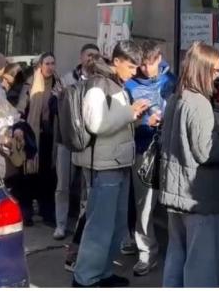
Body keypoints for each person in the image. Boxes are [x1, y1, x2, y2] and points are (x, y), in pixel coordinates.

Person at [158, 41, 219, 288]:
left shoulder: (177, 97)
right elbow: (207, 151)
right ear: (204, 70)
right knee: (202, 267)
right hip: (200, 197)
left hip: (176, 194)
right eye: (216, 71)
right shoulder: (199, 104)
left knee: (177, 257)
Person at [71, 41, 150, 288]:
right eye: (130, 66)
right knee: (100, 226)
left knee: (115, 226)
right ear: (116, 61)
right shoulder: (99, 85)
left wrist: (135, 118)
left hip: (116, 162)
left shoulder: (115, 84)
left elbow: (113, 123)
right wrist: (129, 112)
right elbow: (96, 123)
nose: (134, 71)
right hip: (103, 166)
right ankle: (85, 278)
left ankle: (102, 273)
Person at [124, 40, 176, 277]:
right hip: (143, 148)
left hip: (171, 149)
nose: (145, 69)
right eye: (141, 65)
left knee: (175, 203)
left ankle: (177, 250)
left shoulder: (170, 80)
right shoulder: (129, 84)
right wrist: (144, 121)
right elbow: (122, 119)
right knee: (144, 205)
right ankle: (147, 252)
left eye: (149, 64)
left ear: (159, 59)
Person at [61, 45, 101, 264]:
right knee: (87, 206)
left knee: (88, 206)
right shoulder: (77, 86)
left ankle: (78, 253)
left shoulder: (92, 86)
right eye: (89, 56)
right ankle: (75, 254)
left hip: (91, 154)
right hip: (86, 152)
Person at [17, 53, 62, 229]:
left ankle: (47, 212)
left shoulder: (59, 84)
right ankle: (26, 213)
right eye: (47, 63)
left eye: (53, 63)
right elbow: (22, 107)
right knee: (29, 175)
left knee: (48, 177)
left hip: (50, 135)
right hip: (32, 133)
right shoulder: (31, 83)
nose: (50, 67)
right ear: (40, 66)